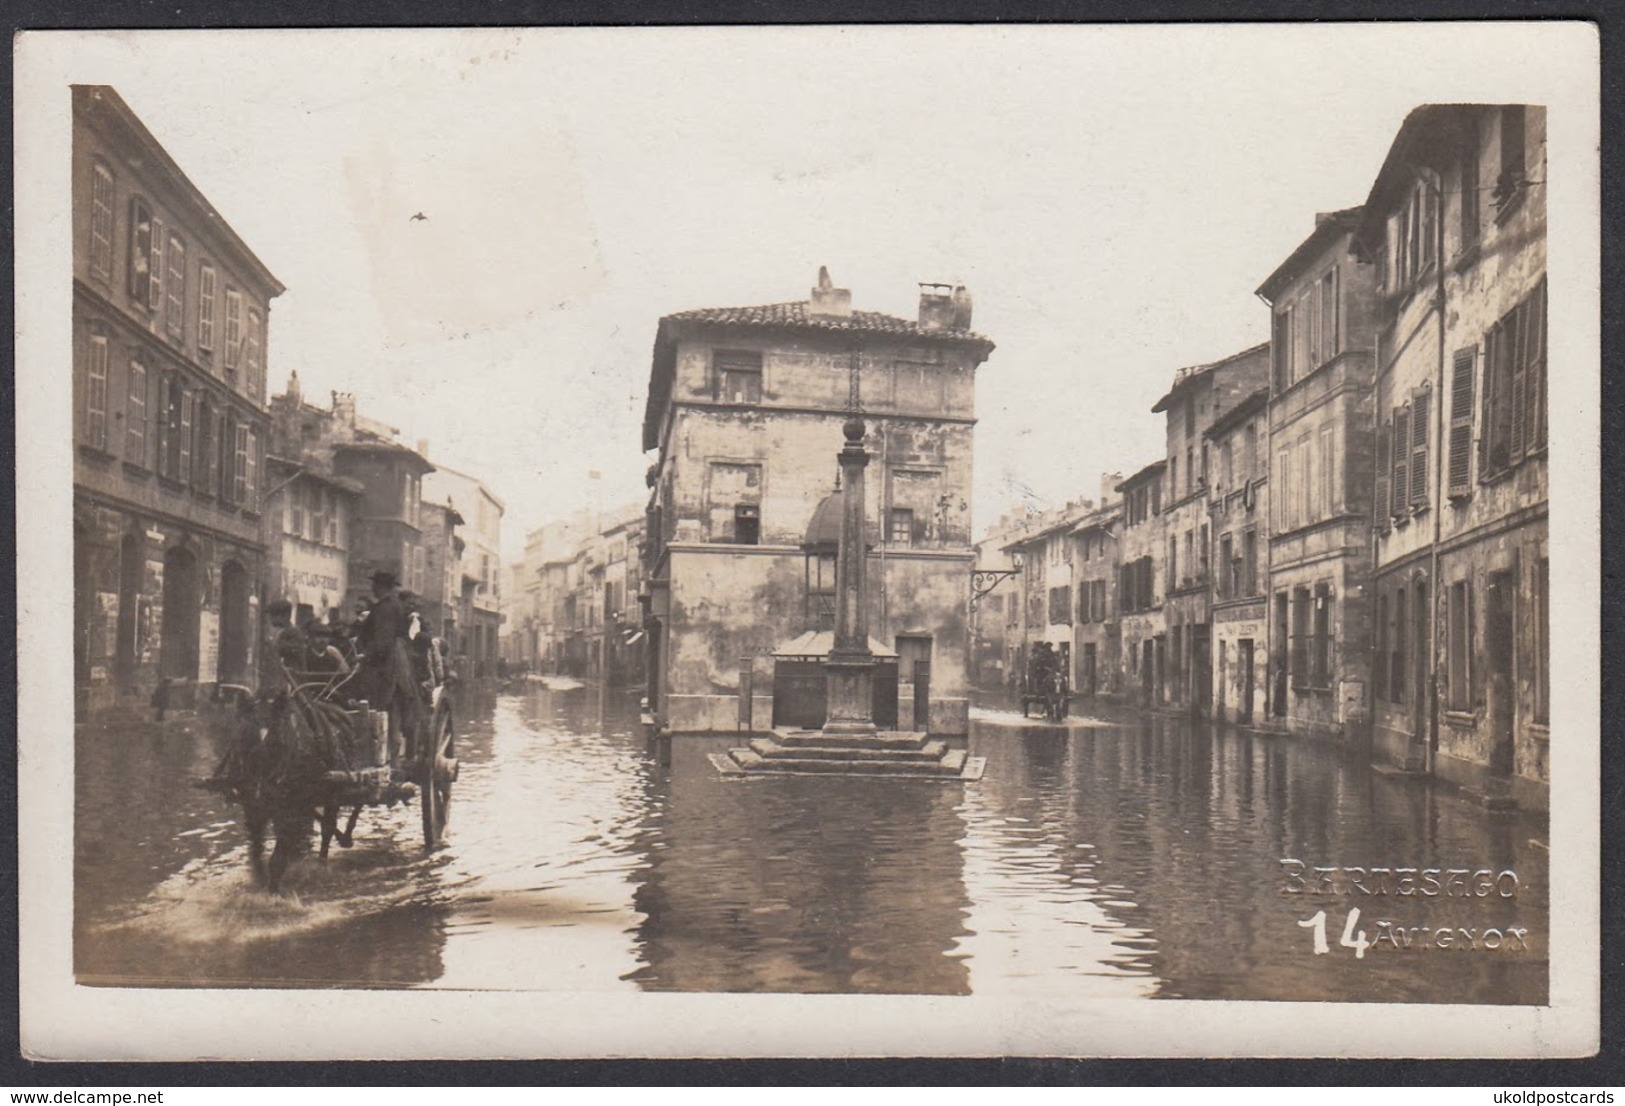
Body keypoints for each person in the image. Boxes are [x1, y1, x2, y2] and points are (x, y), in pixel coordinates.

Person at [357, 570, 421, 761]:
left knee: (386, 706)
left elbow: (383, 642)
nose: (372, 589)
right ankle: (390, 753)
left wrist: (365, 657)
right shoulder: (395, 605)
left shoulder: (385, 608)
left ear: (380, 587)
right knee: (391, 708)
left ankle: (385, 756)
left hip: (388, 665)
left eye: (374, 585)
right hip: (395, 659)